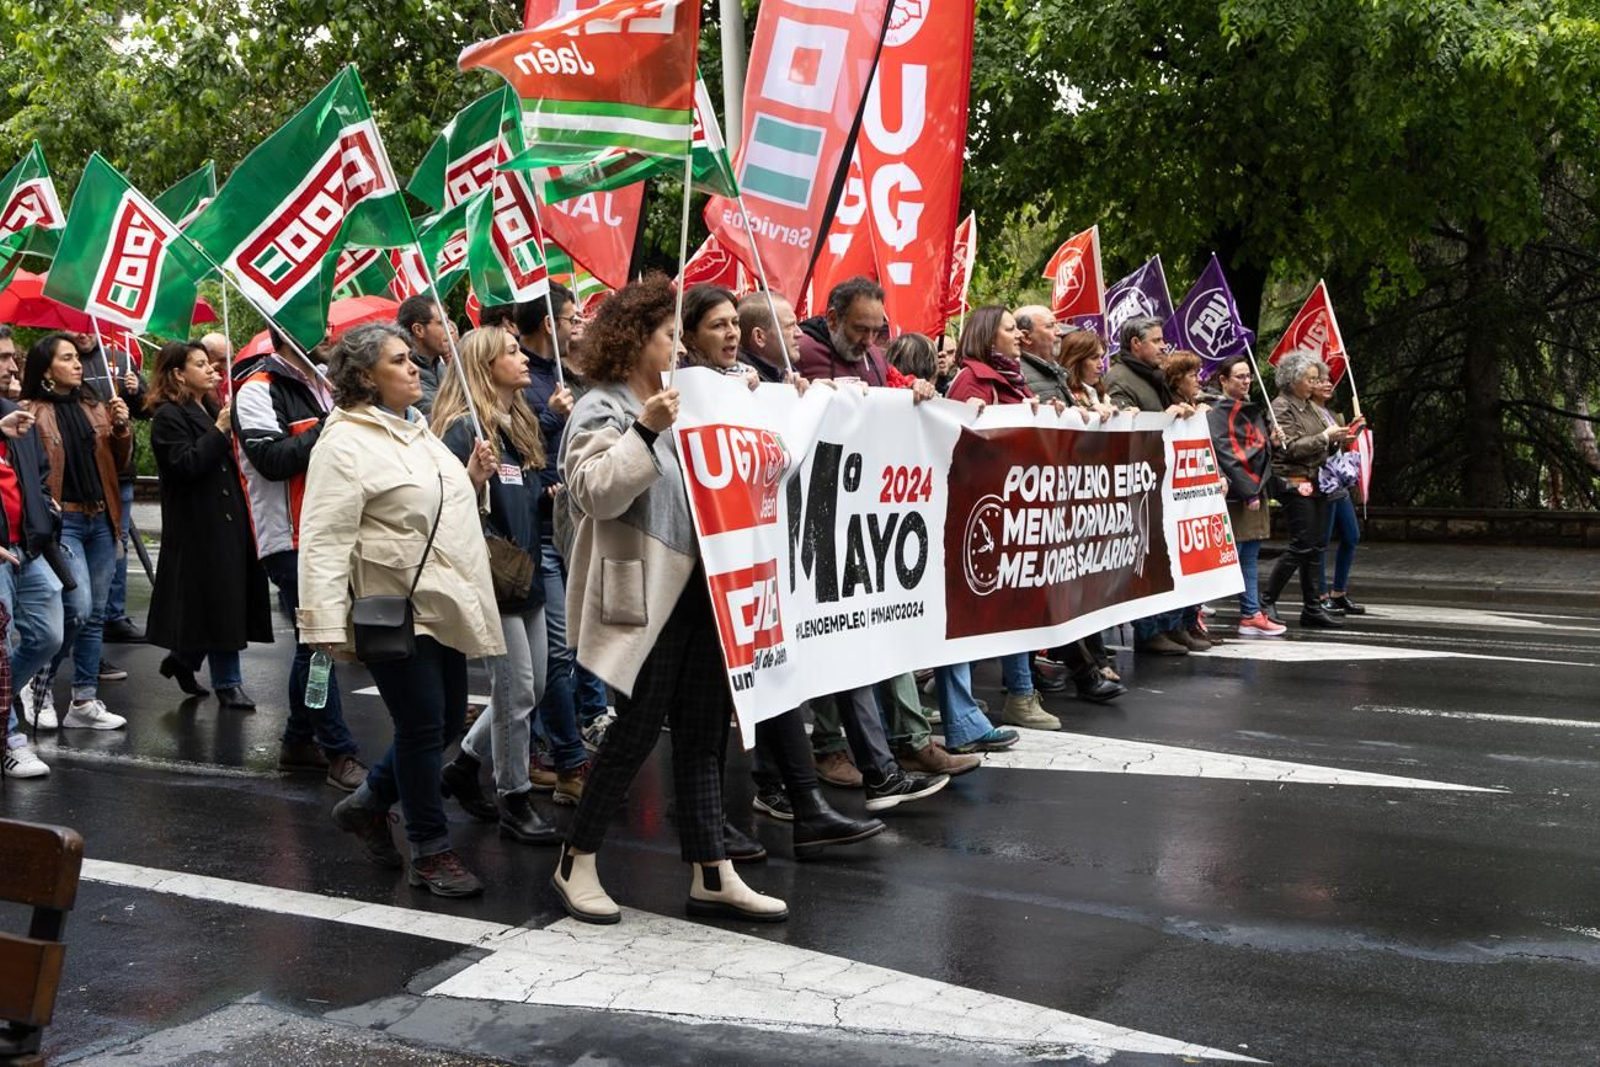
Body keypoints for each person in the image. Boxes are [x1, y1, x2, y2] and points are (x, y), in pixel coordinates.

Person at [551, 274, 787, 924]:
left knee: (705, 732)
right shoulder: (602, 407)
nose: (675, 345)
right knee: (633, 731)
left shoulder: (696, 397)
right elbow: (595, 491)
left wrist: (753, 414)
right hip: (647, 595)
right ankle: (578, 859)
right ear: (635, 340)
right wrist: (645, 431)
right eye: (664, 334)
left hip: (707, 591)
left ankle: (712, 869)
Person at [300, 322, 505, 897]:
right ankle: (431, 848)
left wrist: (472, 477)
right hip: (390, 604)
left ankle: (367, 805)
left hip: (442, 600)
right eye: (400, 360)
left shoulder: (417, 431)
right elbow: (322, 537)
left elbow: (434, 505)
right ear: (366, 376)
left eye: (413, 358)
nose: (416, 366)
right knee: (420, 728)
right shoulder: (343, 442)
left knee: (441, 724)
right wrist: (320, 623)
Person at [431, 326, 565, 846]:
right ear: (486, 366)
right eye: (512, 352)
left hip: (525, 573)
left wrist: (546, 494)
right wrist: (472, 478)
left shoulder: (517, 423)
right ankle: (515, 797)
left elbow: (523, 497)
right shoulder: (465, 430)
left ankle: (464, 765)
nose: (524, 358)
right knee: (515, 695)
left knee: (526, 689)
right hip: (492, 576)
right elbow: (443, 505)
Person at [235, 327, 368, 790]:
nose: (331, 332)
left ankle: (296, 739)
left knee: (314, 646)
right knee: (321, 645)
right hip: (291, 539)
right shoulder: (256, 390)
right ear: (290, 330)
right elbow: (271, 460)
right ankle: (338, 750)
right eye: (319, 323)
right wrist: (332, 427)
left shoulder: (325, 385)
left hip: (331, 532)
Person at [944, 307, 1064, 732]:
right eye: (1011, 329)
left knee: (1014, 605)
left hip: (1009, 510)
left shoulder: (1009, 381)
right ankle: (978, 703)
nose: (1019, 336)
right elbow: (954, 444)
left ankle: (1018, 693)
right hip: (980, 512)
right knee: (979, 612)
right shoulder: (971, 381)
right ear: (988, 337)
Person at [144, 341, 273, 707]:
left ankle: (183, 660)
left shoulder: (213, 405)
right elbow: (185, 464)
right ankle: (228, 683)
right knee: (220, 603)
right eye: (201, 364)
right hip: (198, 526)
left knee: (220, 601)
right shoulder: (169, 415)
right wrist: (218, 431)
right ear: (178, 374)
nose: (212, 370)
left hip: (229, 517)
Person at [17, 333, 130, 731]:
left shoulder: (94, 406)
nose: (79, 363)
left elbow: (118, 464)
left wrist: (120, 430)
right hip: (64, 521)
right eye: (67, 358)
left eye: (77, 357)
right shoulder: (30, 411)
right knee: (77, 609)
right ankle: (38, 683)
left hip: (102, 518)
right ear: (46, 369)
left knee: (96, 614)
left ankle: (83, 701)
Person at [514, 289, 600, 794]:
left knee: (559, 654)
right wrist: (549, 417)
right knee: (551, 660)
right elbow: (515, 453)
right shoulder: (526, 379)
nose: (577, 327)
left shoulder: (563, 375)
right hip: (539, 531)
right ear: (549, 323)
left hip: (569, 526)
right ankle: (567, 760)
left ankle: (547, 748)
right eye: (571, 318)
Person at [1103, 316, 1202, 655]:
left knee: (1166, 557)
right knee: (1147, 558)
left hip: (1161, 479)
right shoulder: (1119, 380)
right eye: (1157, 341)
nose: (1164, 347)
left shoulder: (1153, 378)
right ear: (1135, 344)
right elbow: (1125, 427)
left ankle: (1169, 625)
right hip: (1140, 483)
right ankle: (1148, 631)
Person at [0, 326, 65, 778]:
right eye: (2, 356)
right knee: (0, 651)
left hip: (28, 546)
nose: (10, 365)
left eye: (11, 356)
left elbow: (37, 474)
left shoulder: (14, 415)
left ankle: (3, 704)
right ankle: (8, 737)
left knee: (48, 635)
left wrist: (44, 507)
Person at [1262, 352, 1348, 628]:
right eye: (1309, 379)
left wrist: (1337, 440)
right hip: (1294, 479)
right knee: (1301, 544)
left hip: (1317, 478)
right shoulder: (1281, 407)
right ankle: (1267, 599)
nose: (1314, 383)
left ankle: (1312, 607)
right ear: (1292, 379)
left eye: (1315, 378)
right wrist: (1324, 437)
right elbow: (1290, 448)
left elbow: (1322, 441)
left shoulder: (1311, 407)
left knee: (1316, 546)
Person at [1208, 355, 1286, 637]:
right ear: (1224, 380)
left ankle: (1251, 613)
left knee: (1250, 555)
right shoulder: (1217, 411)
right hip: (1238, 493)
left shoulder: (1248, 410)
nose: (1246, 381)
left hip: (1253, 490)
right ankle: (1194, 611)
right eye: (1240, 376)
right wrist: (1248, 490)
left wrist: (1272, 443)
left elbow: (1255, 450)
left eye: (1248, 376)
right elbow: (1225, 454)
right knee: (1232, 556)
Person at [88, 333, 149, 652]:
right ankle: (88, 618)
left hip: (119, 470)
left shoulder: (120, 358)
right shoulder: (59, 359)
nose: (81, 335)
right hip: (82, 473)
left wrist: (136, 391)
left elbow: (147, 409)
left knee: (117, 543)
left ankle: (114, 615)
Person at [1162, 351, 1223, 649]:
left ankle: (1190, 621)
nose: (1197, 379)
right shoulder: (1169, 406)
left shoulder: (1197, 407)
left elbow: (1205, 450)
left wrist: (1217, 476)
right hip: (1174, 498)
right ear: (1177, 379)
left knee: (1198, 560)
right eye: (1191, 375)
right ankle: (1174, 626)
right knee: (1178, 564)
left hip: (1195, 495)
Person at [1312, 374, 1366, 616]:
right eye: (1320, 380)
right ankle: (1321, 595)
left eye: (1329, 380)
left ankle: (1339, 592)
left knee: (1352, 536)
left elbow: (1341, 447)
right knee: (1321, 541)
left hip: (1339, 481)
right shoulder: (1308, 414)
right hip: (1323, 482)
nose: (1327, 384)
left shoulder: (1334, 415)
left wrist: (1355, 429)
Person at [796, 276, 892, 385]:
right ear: (833, 320)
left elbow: (899, 382)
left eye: (876, 331)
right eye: (861, 329)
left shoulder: (876, 356)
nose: (869, 342)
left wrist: (912, 385)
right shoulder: (798, 350)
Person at [397, 294, 453, 417]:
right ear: (418, 330)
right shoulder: (406, 379)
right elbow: (445, 419)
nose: (450, 329)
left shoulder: (441, 367)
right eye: (442, 323)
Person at [736, 292, 803, 383]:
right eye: (790, 326)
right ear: (759, 337)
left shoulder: (789, 376)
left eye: (796, 324)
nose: (799, 333)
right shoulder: (741, 383)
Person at [1014, 305, 1071, 402]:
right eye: (1050, 326)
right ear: (1026, 337)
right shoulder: (1017, 375)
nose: (1060, 332)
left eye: (1057, 324)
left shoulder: (1056, 371)